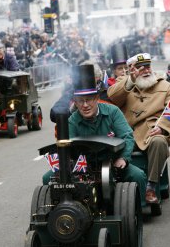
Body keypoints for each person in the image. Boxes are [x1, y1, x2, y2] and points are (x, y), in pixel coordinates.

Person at [43, 64, 147, 205]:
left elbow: (127, 136)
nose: (85, 105)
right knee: (48, 177)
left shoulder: (113, 112)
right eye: (80, 101)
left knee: (137, 175)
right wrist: (69, 165)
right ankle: (61, 210)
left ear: (97, 97)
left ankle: (137, 211)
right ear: (75, 102)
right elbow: (68, 148)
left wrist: (123, 158)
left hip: (113, 164)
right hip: (84, 167)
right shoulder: (72, 121)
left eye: (89, 99)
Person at [108, 53, 170, 204]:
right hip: (126, 133)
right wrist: (131, 80)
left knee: (159, 141)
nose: (145, 71)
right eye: (140, 68)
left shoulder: (165, 86)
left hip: (152, 131)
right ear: (132, 70)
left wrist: (163, 128)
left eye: (147, 67)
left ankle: (151, 187)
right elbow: (112, 97)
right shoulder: (124, 83)